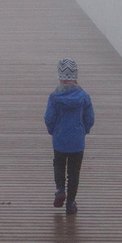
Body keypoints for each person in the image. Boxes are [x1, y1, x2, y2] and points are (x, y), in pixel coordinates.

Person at [43, 57, 94, 214]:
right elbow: (90, 119)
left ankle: (60, 190)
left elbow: (49, 118)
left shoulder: (54, 97)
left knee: (58, 165)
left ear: (60, 77)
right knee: (74, 172)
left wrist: (53, 131)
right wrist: (83, 131)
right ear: (75, 77)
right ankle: (71, 203)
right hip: (77, 142)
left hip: (59, 140)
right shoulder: (84, 96)